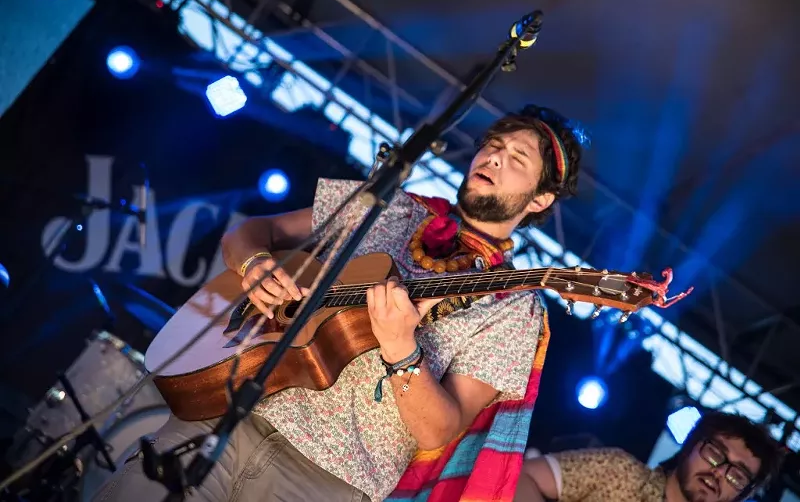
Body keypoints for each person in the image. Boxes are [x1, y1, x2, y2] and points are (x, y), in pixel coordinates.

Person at [94, 105, 584, 502]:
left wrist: (401, 351)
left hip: (325, 483)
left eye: (518, 159)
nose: (495, 158)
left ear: (540, 200)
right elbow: (251, 232)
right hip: (232, 406)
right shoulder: (389, 203)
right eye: (493, 146)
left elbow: (443, 428)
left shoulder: (514, 306)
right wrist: (256, 267)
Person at [514, 410, 784, 502]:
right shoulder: (619, 471)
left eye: (736, 475)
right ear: (689, 447)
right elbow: (521, 476)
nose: (719, 473)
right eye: (715, 454)